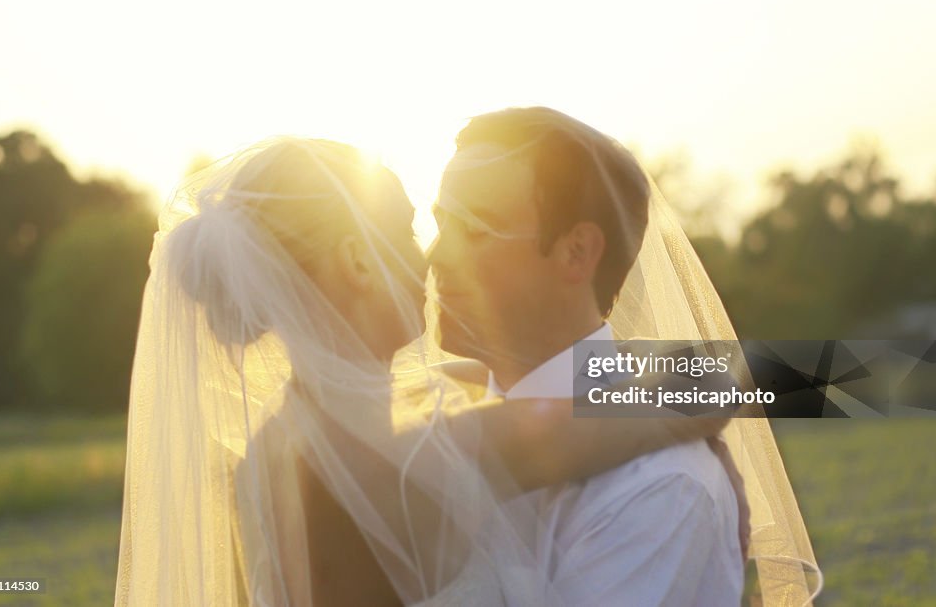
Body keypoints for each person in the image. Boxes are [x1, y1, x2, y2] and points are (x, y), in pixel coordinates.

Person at [114, 137, 739, 606]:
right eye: (411, 229)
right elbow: (722, 383)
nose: (436, 259)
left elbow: (478, 385)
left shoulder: (275, 450)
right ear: (358, 260)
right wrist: (711, 437)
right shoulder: (413, 461)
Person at [427, 107, 823, 605]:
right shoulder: (425, 417)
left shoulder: (661, 486)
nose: (435, 257)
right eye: (440, 224)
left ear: (577, 253)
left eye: (473, 229)